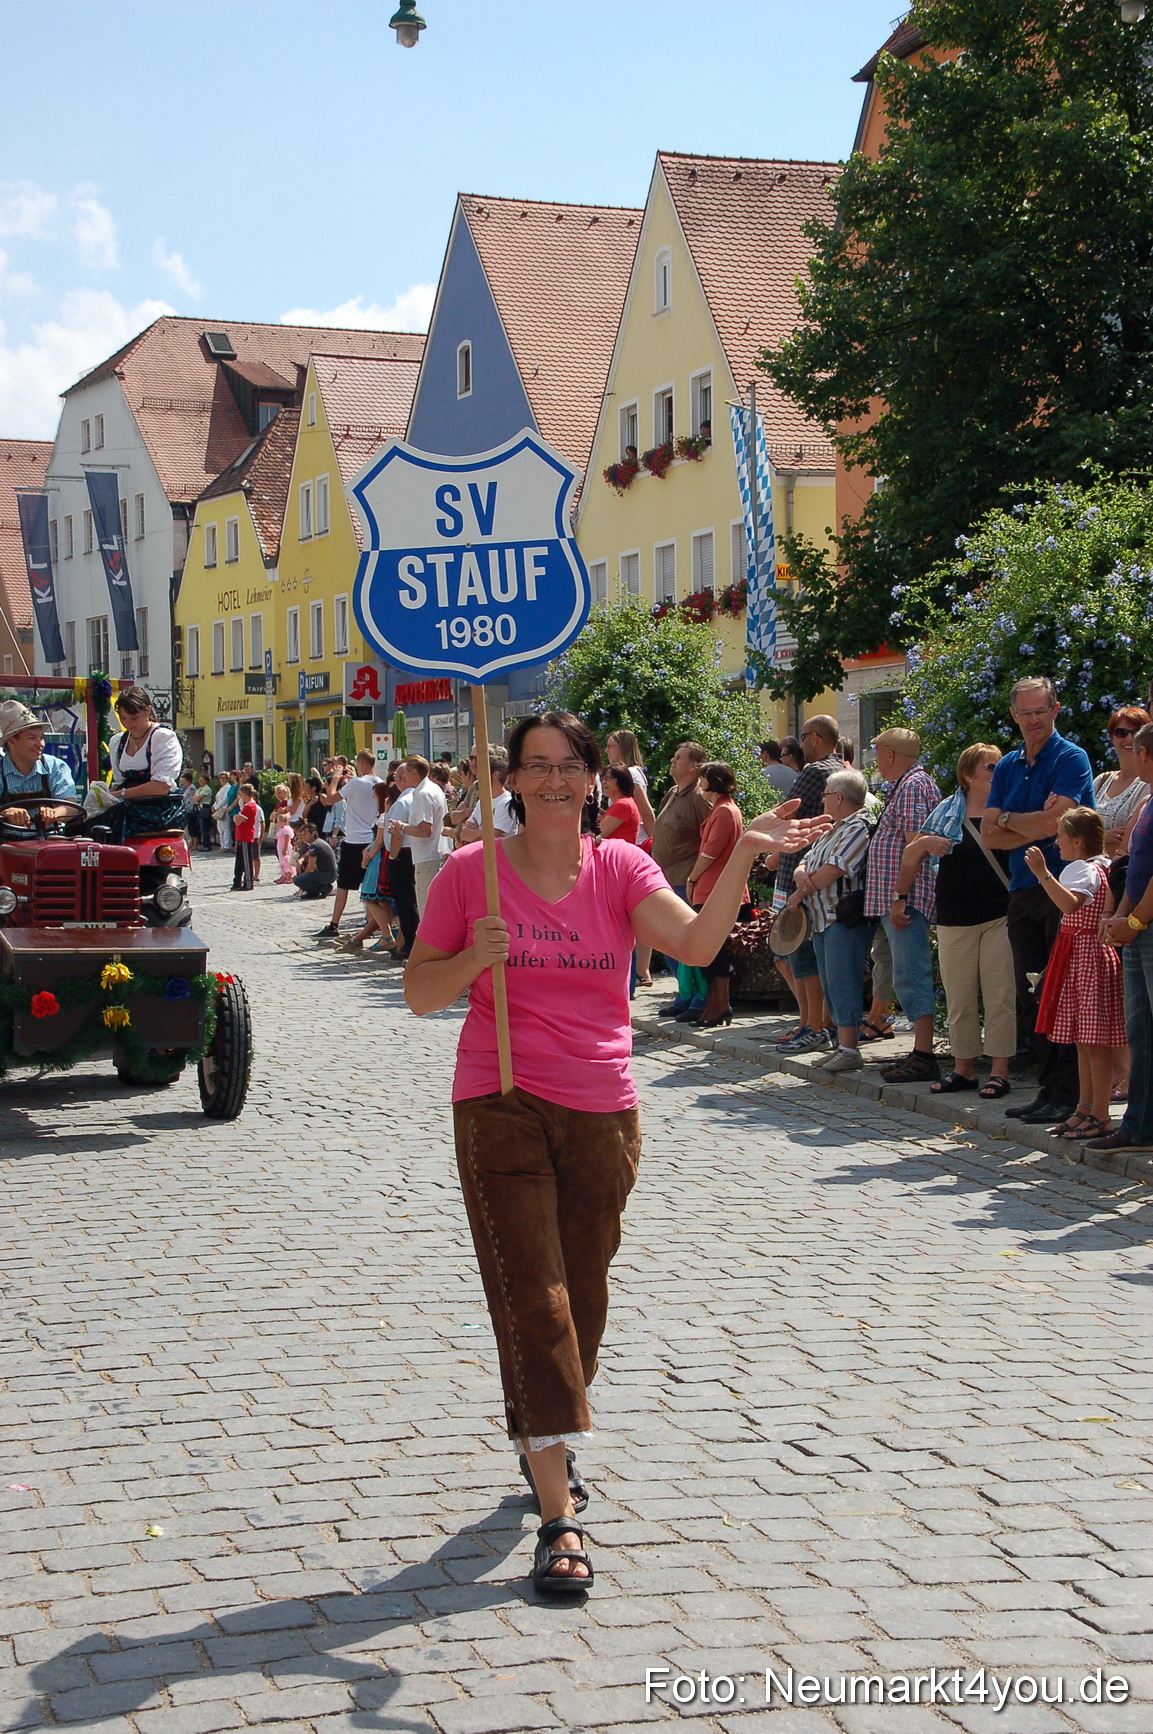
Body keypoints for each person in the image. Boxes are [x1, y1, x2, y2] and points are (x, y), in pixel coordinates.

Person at [405, 710, 827, 1594]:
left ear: (595, 776)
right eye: (536, 766)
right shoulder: (470, 875)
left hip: (601, 1109)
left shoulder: (619, 868)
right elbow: (418, 992)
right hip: (498, 1101)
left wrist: (743, 851)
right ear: (511, 780)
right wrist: (471, 963)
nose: (554, 780)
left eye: (570, 766)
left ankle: (538, 1430)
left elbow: (698, 945)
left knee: (582, 1296)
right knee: (535, 1296)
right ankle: (558, 1515)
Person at [983, 677, 1095, 1127]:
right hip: (1022, 889)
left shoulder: (1071, 758)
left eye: (1040, 711)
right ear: (1014, 716)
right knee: (1033, 993)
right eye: (1025, 713)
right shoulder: (1008, 765)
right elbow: (989, 832)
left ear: (1055, 710)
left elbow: (1058, 824)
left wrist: (1012, 820)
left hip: (1062, 888)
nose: (1033, 720)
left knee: (1061, 990)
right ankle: (1047, 1088)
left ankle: (1069, 1094)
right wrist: (1029, 822)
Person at [896, 744, 1015, 1099]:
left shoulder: (1008, 810)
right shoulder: (945, 812)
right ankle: (963, 1068)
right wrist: (900, 898)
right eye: (991, 767)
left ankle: (999, 1071)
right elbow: (909, 856)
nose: (998, 772)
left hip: (1000, 915)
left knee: (999, 995)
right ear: (969, 774)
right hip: (954, 918)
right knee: (960, 996)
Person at [1024, 807, 1124, 1141]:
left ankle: (1099, 1113)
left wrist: (1043, 874)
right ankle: (1085, 1107)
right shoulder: (1101, 866)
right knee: (1085, 1040)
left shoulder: (1084, 869)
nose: (1057, 842)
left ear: (1077, 841)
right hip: (1084, 957)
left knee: (1094, 1042)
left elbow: (1070, 905)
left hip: (1086, 957)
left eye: (1062, 836)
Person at [863, 726, 942, 1085]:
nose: (876, 759)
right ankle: (918, 1051)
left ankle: (924, 1053)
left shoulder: (911, 786)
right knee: (902, 973)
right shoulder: (909, 784)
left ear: (890, 755)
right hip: (900, 899)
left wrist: (901, 898)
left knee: (910, 975)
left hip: (905, 901)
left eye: (878, 752)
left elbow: (915, 847)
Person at [788, 767, 874, 1072]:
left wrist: (800, 891)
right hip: (821, 918)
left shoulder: (857, 827)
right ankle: (840, 1043)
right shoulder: (833, 828)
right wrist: (803, 877)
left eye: (825, 794)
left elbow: (833, 870)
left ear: (838, 797)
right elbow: (806, 862)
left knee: (843, 982)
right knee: (829, 982)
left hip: (841, 917)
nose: (821, 799)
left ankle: (850, 1048)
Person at [1096, 720, 1153, 1153]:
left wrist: (1132, 922)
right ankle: (1138, 1127)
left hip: (1146, 929)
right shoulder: (1149, 802)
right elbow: (1131, 867)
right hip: (1135, 926)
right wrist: (1120, 914)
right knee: (1140, 1031)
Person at [773, 714, 840, 1055]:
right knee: (808, 955)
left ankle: (811, 1025)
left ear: (814, 738)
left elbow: (785, 813)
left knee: (797, 953)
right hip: (818, 874)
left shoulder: (816, 772)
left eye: (802, 737)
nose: (800, 743)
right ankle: (814, 1023)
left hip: (798, 873)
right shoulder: (843, 769)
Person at [686, 761, 751, 1029]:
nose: (700, 783)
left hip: (715, 888)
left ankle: (720, 1005)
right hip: (715, 887)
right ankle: (715, 1004)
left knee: (716, 952)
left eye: (703, 778)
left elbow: (710, 852)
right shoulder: (722, 809)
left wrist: (691, 877)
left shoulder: (725, 811)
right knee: (712, 953)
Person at [650, 741, 710, 1021]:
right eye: (673, 756)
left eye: (679, 758)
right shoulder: (674, 792)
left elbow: (711, 836)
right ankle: (684, 993)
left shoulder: (699, 796)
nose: (673, 761)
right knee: (666, 940)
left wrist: (697, 875)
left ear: (694, 765)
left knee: (686, 942)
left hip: (685, 880)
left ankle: (699, 996)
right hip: (663, 876)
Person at [606, 730, 657, 984]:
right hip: (633, 843)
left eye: (611, 746)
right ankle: (641, 970)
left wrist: (657, 843)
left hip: (635, 844)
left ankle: (641, 970)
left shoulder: (632, 774)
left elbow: (646, 811)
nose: (607, 751)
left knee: (634, 913)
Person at [103, 686, 186, 841]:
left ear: (148, 711)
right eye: (123, 718)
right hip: (127, 806)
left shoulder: (162, 737)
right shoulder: (118, 741)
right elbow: (119, 781)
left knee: (113, 825)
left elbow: (161, 786)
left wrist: (121, 795)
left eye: (133, 717)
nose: (128, 723)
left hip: (158, 809)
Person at [317, 750, 381, 939]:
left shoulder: (355, 784)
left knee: (344, 885)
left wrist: (336, 778)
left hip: (354, 840)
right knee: (368, 886)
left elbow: (330, 798)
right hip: (371, 839)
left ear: (361, 763)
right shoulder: (380, 782)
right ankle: (370, 925)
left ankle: (334, 924)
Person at [338, 781, 397, 954]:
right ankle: (387, 932)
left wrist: (367, 856)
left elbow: (378, 841)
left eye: (375, 794)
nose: (373, 797)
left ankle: (386, 935)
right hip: (379, 856)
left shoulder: (384, 817)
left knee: (370, 897)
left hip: (378, 859)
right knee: (382, 899)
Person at [0, 700, 78, 829]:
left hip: (49, 842)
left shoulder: (55, 766)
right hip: (5, 844)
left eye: (41, 737)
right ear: (12, 742)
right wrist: (4, 812)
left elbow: (71, 806)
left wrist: (55, 813)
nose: (40, 744)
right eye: (32, 738)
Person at [397, 755, 448, 915]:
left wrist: (402, 827)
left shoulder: (422, 794)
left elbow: (425, 830)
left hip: (427, 857)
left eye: (406, 772)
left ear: (414, 773)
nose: (404, 776)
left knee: (427, 911)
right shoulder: (433, 789)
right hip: (435, 853)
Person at [387, 761, 420, 962]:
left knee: (405, 901)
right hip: (413, 852)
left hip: (402, 854)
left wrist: (392, 855)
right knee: (411, 900)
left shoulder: (402, 802)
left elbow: (397, 834)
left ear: (401, 779)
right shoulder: (415, 797)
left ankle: (410, 944)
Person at [459, 758, 517, 848]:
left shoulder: (506, 802)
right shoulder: (482, 802)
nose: (477, 777)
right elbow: (463, 834)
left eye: (481, 772)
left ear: (495, 775)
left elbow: (495, 836)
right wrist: (483, 832)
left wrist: (475, 833)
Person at [599, 765, 640, 846]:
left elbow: (598, 834)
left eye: (607, 778)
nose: (603, 782)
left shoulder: (623, 805)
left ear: (621, 780)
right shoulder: (625, 802)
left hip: (616, 856)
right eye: (602, 779)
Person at [292, 824, 337, 898]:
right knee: (304, 869)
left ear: (313, 833)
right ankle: (313, 892)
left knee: (298, 880)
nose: (303, 836)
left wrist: (302, 876)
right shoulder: (318, 843)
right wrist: (301, 860)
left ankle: (323, 889)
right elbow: (307, 855)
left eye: (305, 834)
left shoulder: (315, 846)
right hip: (330, 873)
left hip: (328, 875)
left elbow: (311, 868)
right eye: (302, 834)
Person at [230, 781, 259, 890]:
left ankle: (248, 882)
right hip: (241, 836)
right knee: (239, 861)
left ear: (245, 794)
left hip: (246, 836)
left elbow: (237, 820)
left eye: (241, 794)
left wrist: (236, 817)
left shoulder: (250, 806)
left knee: (246, 860)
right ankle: (237, 881)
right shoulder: (246, 806)